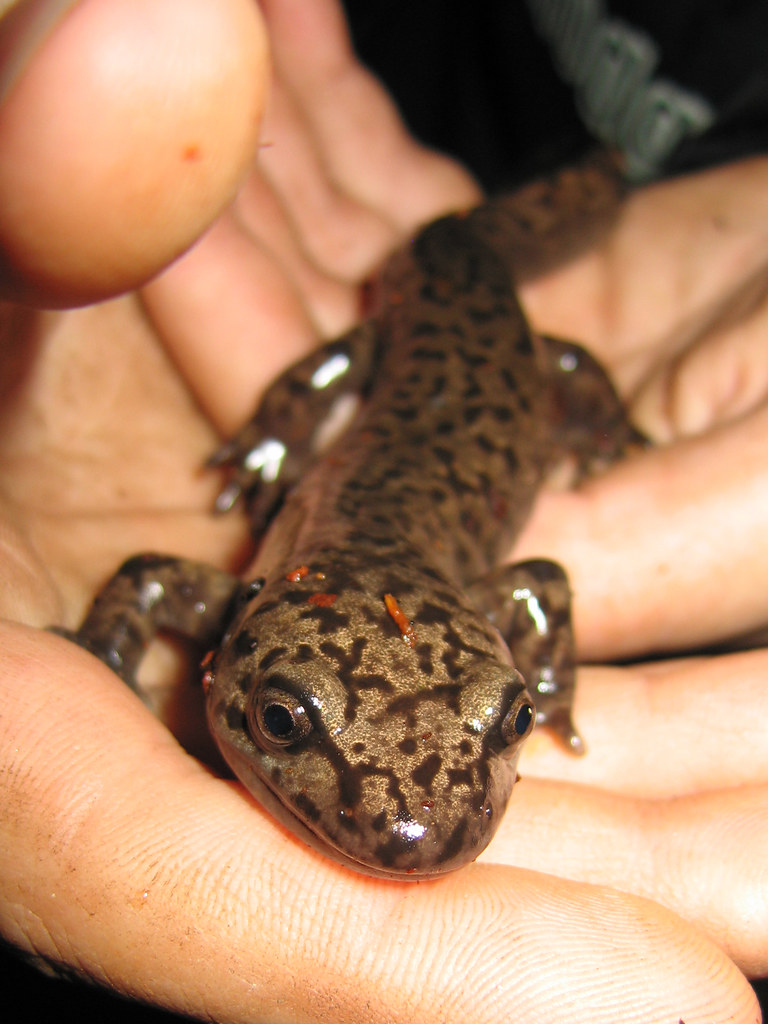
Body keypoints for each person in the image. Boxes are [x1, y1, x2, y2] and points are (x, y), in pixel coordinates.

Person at [0, 1, 766, 1021]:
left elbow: (541, 593)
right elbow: (535, 588)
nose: (415, 829)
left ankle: (606, 190)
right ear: (242, 637)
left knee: (558, 371)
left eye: (504, 722)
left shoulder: (408, 601)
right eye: (285, 720)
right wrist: (111, 640)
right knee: (398, 345)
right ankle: (595, 183)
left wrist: (543, 678)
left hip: (494, 345)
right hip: (416, 319)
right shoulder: (247, 605)